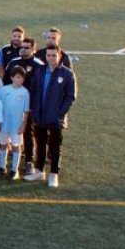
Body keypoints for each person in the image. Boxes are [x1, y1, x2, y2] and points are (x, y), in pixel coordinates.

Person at [26, 46, 76, 188]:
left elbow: (70, 97)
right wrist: (34, 110)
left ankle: (54, 174)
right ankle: (39, 171)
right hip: (40, 116)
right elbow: (33, 90)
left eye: (54, 55)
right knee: (40, 144)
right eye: (49, 55)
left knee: (55, 146)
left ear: (60, 56)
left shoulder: (67, 74)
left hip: (56, 118)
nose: (51, 58)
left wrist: (60, 113)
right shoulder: (40, 71)